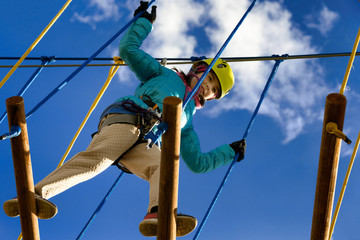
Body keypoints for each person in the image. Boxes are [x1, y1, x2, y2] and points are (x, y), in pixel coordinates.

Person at [3, 1, 246, 237]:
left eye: (214, 89)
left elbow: (198, 163)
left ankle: (158, 212)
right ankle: (36, 193)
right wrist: (143, 23)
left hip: (147, 143)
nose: (207, 88)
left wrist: (229, 151)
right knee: (96, 161)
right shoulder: (162, 74)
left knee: (164, 167)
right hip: (128, 120)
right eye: (209, 78)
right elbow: (129, 50)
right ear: (197, 70)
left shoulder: (188, 121)